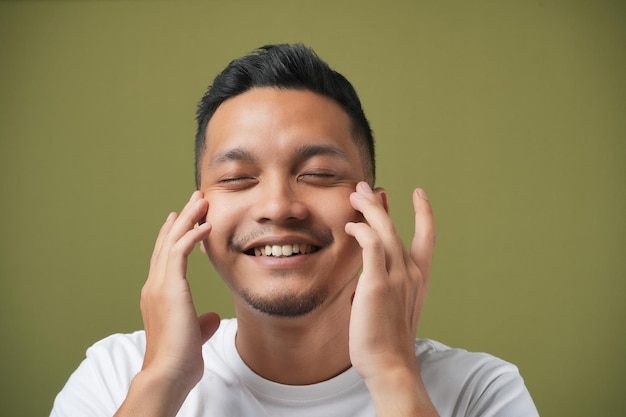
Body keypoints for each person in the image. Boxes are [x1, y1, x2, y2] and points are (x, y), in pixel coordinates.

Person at [51, 44, 539, 417]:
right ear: (197, 218)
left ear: (374, 215)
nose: (278, 206)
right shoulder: (117, 374)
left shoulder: (481, 390)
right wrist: (161, 382)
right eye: (239, 178)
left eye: (320, 174)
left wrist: (394, 375)